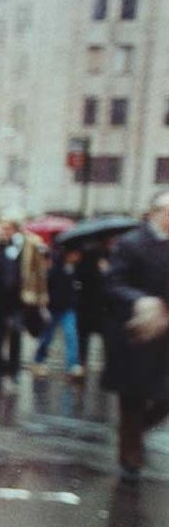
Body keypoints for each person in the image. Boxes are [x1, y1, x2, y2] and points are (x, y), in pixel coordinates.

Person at [103, 190, 169, 484]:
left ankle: (134, 432)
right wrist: (139, 300)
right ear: (154, 213)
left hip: (165, 331)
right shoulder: (131, 244)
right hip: (136, 333)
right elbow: (114, 283)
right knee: (133, 398)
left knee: (163, 397)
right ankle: (131, 459)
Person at [0, 213, 48, 380]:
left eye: (7, 228)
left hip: (19, 297)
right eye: (3, 227)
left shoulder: (30, 245)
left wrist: (39, 295)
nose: (4, 231)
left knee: (15, 333)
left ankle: (13, 369)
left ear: (16, 228)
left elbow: (39, 272)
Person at [33, 247, 84, 379]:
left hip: (68, 307)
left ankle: (72, 365)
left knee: (71, 334)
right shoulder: (55, 269)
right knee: (47, 336)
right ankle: (39, 360)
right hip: (54, 307)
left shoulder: (76, 270)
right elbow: (48, 286)